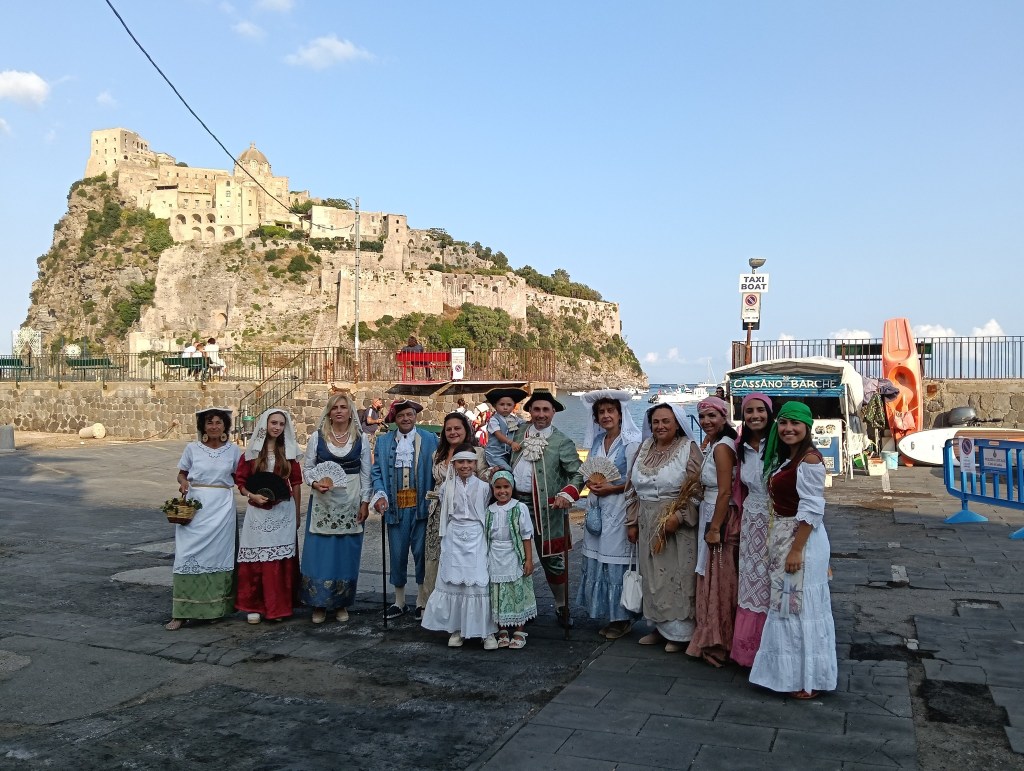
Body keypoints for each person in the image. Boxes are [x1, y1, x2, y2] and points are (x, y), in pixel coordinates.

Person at [750, 401, 837, 699]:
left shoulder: (809, 460)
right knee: (788, 606)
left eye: (795, 423)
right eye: (784, 423)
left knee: (800, 607)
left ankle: (808, 680)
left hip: (801, 539)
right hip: (787, 535)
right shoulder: (790, 459)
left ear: (807, 427)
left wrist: (797, 550)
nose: (788, 429)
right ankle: (791, 676)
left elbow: (812, 509)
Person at [624, 403, 701, 652]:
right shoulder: (644, 448)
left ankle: (680, 634)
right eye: (656, 422)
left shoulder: (688, 448)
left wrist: (678, 516)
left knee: (676, 575)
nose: (660, 426)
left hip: (675, 523)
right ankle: (658, 628)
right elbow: (632, 488)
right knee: (652, 576)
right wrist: (632, 522)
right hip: (647, 520)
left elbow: (697, 488)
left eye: (666, 421)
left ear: (677, 424)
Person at [508, 389, 583, 627]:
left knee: (553, 559)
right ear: (529, 411)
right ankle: (520, 606)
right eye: (537, 409)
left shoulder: (562, 442)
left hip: (547, 510)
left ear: (553, 413)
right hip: (514, 505)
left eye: (546, 410)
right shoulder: (517, 432)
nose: (541, 414)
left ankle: (561, 606)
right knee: (514, 556)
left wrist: (566, 494)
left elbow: (578, 474)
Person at [166, 407, 242, 630]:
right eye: (210, 422)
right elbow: (182, 473)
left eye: (219, 422)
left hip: (222, 507)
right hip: (196, 506)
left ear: (225, 426)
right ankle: (180, 613)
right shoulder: (192, 449)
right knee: (186, 556)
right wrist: (183, 482)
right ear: (203, 426)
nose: (214, 426)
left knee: (218, 557)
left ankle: (214, 608)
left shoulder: (233, 451)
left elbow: (241, 477)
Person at [300, 391, 371, 624]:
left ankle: (341, 603)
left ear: (350, 412)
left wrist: (365, 502)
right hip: (323, 501)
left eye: (343, 407)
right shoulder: (317, 437)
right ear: (329, 412)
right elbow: (308, 469)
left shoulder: (361, 439)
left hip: (350, 501)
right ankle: (318, 603)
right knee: (320, 552)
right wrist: (314, 483)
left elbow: (366, 473)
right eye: (334, 407)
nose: (339, 411)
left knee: (345, 552)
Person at [576, 390, 642, 640]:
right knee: (599, 560)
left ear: (620, 414)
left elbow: (636, 480)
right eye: (601, 412)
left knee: (617, 561)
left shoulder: (631, 443)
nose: (606, 415)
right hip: (597, 508)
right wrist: (588, 484)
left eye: (610, 411)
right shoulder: (597, 441)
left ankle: (622, 617)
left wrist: (611, 488)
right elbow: (590, 471)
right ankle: (609, 613)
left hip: (619, 507)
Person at [421, 443, 498, 649]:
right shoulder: (446, 487)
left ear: (475, 463)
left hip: (476, 536)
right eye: (461, 462)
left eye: (469, 462)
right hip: (454, 535)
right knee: (454, 583)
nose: (465, 466)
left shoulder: (484, 487)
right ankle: (456, 629)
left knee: (478, 582)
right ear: (454, 464)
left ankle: (486, 631)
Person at [370, 399, 440, 620]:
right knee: (397, 553)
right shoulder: (383, 442)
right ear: (395, 419)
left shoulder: (430, 439)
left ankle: (421, 600)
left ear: (415, 416)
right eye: (401, 416)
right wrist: (380, 494)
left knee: (421, 554)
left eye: (409, 414)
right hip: (395, 506)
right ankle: (399, 601)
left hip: (422, 507)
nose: (406, 419)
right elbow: (376, 473)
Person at [235, 409, 303, 624]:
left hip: (283, 511)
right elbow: (241, 482)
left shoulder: (289, 451)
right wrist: (252, 495)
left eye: (281, 424)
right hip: (257, 511)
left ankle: (278, 606)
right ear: (265, 424)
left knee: (280, 560)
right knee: (256, 558)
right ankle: (254, 605)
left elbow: (296, 483)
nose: (277, 427)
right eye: (273, 423)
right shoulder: (252, 452)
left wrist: (297, 512)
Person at [686, 396, 739, 667]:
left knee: (717, 576)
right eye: (702, 416)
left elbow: (725, 491)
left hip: (717, 515)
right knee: (714, 574)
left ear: (723, 417)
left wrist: (715, 527)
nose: (706, 421)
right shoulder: (717, 443)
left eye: (712, 416)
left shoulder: (722, 447)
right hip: (711, 511)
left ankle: (717, 641)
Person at [424, 412, 489, 605]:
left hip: (465, 514)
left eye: (457, 428)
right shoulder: (437, 454)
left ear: (466, 430)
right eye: (449, 429)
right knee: (435, 558)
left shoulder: (478, 452)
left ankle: (463, 606)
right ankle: (434, 605)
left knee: (462, 561)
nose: (453, 432)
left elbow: (484, 479)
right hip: (437, 512)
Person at [731, 393, 775, 666]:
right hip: (751, 521)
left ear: (769, 414)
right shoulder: (741, 447)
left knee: (773, 581)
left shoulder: (780, 443)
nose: (755, 415)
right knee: (751, 582)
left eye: (760, 410)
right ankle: (749, 650)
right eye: (749, 411)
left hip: (776, 521)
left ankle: (772, 648)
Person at [487, 471, 537, 649]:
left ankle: (519, 629)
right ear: (493, 489)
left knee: (516, 590)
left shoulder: (519, 508)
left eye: (506, 487)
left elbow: (526, 535)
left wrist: (528, 559)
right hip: (494, 555)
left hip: (514, 554)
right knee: (498, 592)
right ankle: (502, 629)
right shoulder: (489, 510)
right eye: (498, 487)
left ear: (512, 487)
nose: (502, 491)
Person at [483, 387, 528, 472]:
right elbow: (498, 434)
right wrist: (511, 443)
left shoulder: (514, 419)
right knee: (508, 470)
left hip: (507, 453)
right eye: (502, 404)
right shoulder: (494, 420)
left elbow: (525, 423)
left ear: (514, 406)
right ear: (495, 406)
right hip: (495, 454)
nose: (505, 407)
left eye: (509, 405)